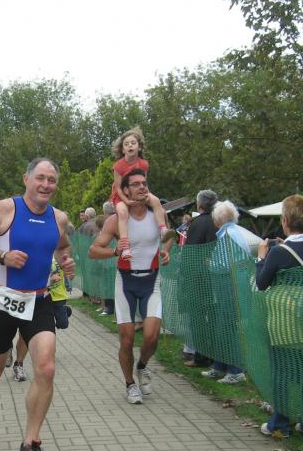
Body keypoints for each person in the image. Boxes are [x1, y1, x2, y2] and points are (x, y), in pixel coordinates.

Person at [0, 158, 75, 451]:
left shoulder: (59, 218)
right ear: (26, 179)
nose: (46, 185)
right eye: (40, 178)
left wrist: (66, 261)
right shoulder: (5, 210)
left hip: (39, 301)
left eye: (51, 180)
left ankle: (31, 443)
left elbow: (63, 246)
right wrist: (2, 256)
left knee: (46, 368)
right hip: (2, 299)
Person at [88, 168, 171, 404]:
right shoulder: (116, 220)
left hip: (151, 280)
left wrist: (166, 251)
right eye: (136, 184)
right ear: (125, 190)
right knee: (126, 339)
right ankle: (130, 384)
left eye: (144, 183)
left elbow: (169, 238)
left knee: (151, 336)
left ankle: (142, 366)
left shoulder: (158, 214)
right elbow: (93, 251)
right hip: (126, 281)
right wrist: (115, 251)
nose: (142, 187)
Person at [256, 195, 303, 438]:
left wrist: (261, 258)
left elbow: (261, 283)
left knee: (282, 374)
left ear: (285, 220)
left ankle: (280, 423)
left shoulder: (278, 252)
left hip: (284, 321)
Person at [200, 200, 250, 384]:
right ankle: (220, 367)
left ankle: (236, 371)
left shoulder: (227, 236)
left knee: (227, 328)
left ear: (217, 220)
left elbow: (223, 265)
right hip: (235, 284)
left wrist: (209, 263)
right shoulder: (235, 232)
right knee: (224, 326)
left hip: (228, 285)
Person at [110, 127, 170, 259]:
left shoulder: (143, 164)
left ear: (139, 147)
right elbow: (118, 188)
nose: (130, 146)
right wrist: (126, 201)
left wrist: (146, 196)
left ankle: (163, 229)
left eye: (133, 143)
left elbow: (144, 183)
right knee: (122, 212)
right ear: (123, 150)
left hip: (138, 192)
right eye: (126, 144)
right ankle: (125, 247)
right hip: (121, 195)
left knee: (156, 201)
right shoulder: (119, 166)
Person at [180, 190, 218, 367]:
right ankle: (214, 355)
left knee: (198, 319)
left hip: (198, 280)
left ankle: (201, 356)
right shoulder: (218, 222)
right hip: (216, 277)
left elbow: (191, 253)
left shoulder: (198, 223)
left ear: (199, 205)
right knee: (213, 319)